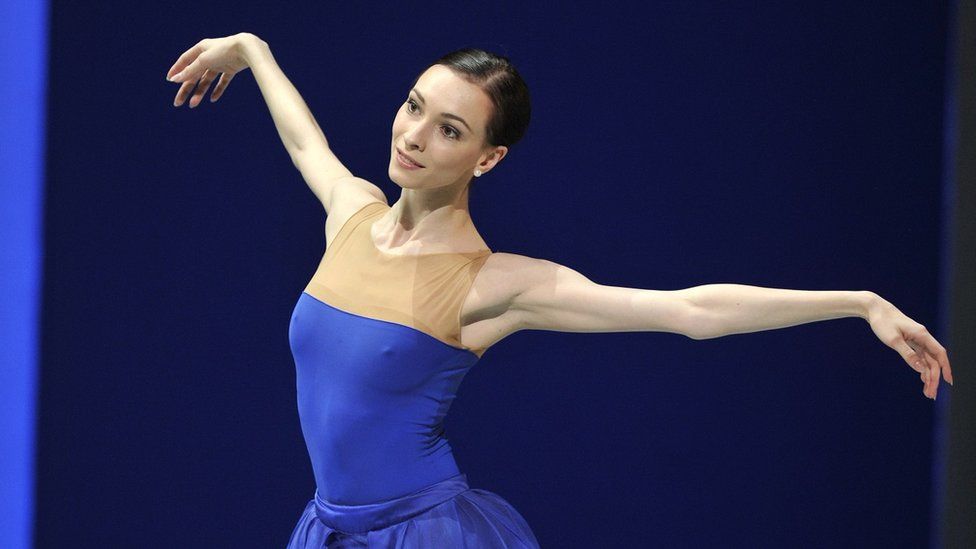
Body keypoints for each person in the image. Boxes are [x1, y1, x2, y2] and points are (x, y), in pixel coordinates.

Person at [166, 32, 954, 548]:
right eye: (414, 107)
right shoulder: (353, 213)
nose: (413, 135)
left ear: (487, 158)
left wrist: (859, 303)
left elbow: (687, 310)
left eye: (449, 128)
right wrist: (253, 51)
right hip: (327, 526)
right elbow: (307, 141)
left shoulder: (496, 282)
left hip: (423, 532)